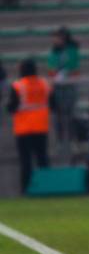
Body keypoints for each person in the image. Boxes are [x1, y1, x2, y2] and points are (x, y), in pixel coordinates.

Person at [6, 59, 52, 193]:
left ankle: (26, 189)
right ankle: (46, 187)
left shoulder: (18, 86)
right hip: (41, 127)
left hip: (23, 128)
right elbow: (52, 103)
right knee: (42, 159)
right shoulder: (44, 84)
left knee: (26, 162)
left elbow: (12, 107)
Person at [48, 27, 80, 157]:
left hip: (69, 88)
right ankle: (60, 142)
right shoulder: (54, 52)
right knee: (58, 118)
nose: (55, 40)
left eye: (57, 37)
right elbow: (51, 68)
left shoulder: (72, 50)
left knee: (70, 116)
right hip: (57, 89)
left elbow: (74, 67)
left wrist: (65, 72)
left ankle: (73, 141)